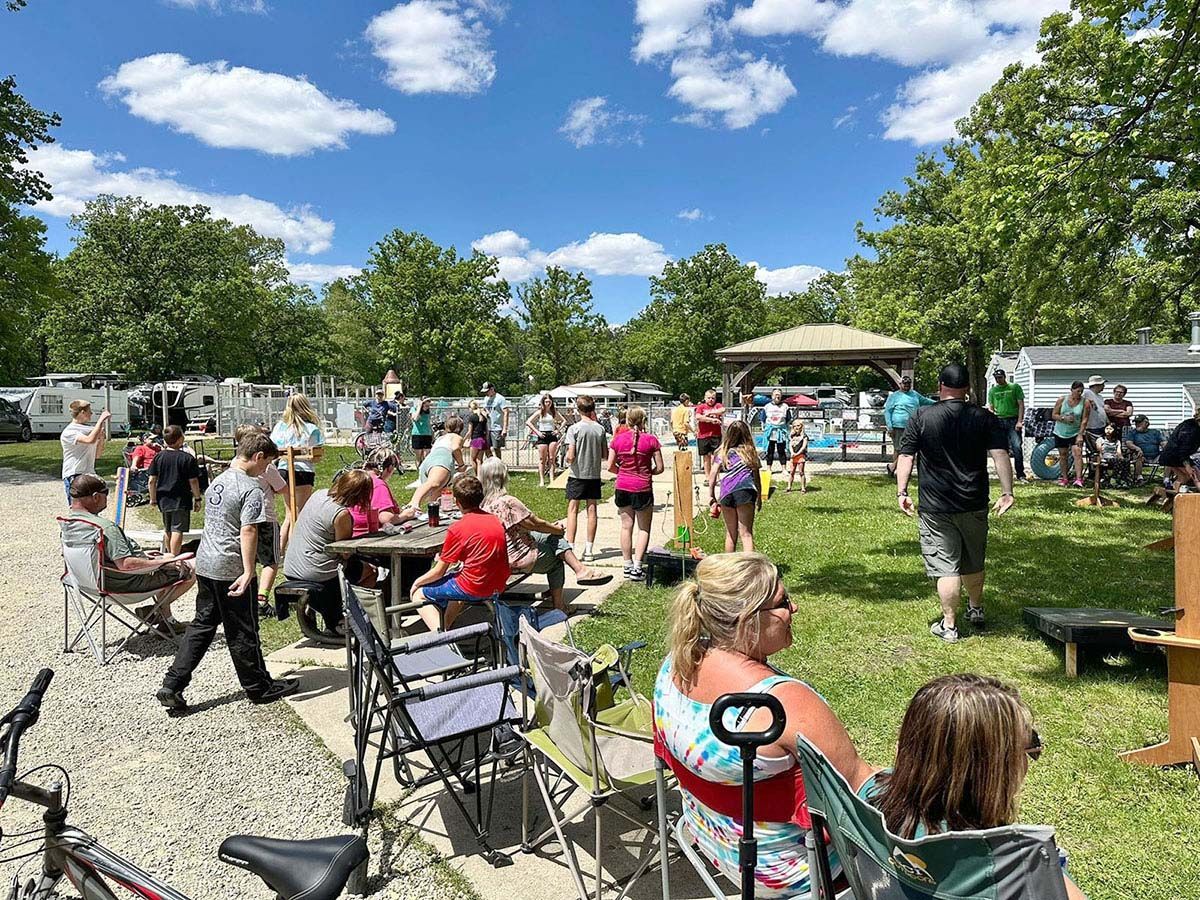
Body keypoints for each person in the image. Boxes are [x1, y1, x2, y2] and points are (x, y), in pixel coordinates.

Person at [654, 552, 875, 899]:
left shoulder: (675, 665)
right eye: (783, 602)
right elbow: (860, 797)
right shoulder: (783, 706)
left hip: (707, 837)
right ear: (748, 620)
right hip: (786, 871)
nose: (795, 608)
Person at [864, 674, 1087, 900]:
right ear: (992, 772)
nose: (1027, 762)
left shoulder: (868, 802)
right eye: (1026, 750)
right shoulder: (1015, 869)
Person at [158, 431, 297, 711]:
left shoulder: (218, 482)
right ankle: (259, 687)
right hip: (231, 567)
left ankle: (173, 683)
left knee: (202, 625)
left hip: (207, 563)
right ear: (258, 457)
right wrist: (248, 572)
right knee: (244, 630)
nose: (267, 469)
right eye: (267, 463)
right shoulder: (252, 488)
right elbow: (248, 530)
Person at [897, 363, 1014, 644]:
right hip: (974, 501)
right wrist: (1007, 491)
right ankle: (975, 609)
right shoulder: (984, 418)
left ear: (940, 387)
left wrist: (902, 491)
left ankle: (949, 625)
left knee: (946, 566)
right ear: (968, 389)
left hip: (936, 506)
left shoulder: (921, 416)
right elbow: (1000, 455)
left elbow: (906, 457)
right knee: (973, 560)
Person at [66, 474, 195, 635]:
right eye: (106, 493)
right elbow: (127, 565)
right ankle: (155, 612)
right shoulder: (105, 528)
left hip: (86, 583)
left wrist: (150, 557)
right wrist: (162, 562)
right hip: (123, 585)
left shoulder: (70, 523)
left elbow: (101, 557)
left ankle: (166, 621)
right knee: (189, 567)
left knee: (166, 559)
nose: (108, 497)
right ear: (96, 497)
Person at [480, 458, 611, 613]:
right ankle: (560, 605)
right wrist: (557, 530)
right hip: (516, 557)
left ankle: (580, 570)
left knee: (552, 538)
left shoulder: (482, 505)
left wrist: (552, 529)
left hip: (496, 557)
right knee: (556, 561)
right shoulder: (507, 502)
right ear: (503, 477)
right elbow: (536, 524)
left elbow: (530, 526)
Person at [283, 469, 378, 635]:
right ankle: (346, 616)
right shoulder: (341, 514)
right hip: (318, 574)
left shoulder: (318, 495)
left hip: (292, 568)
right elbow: (344, 552)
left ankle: (335, 614)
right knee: (370, 571)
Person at [410, 475, 510, 632]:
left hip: (474, 586)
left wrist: (417, 583)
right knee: (455, 577)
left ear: (457, 502)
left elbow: (438, 572)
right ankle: (447, 626)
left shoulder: (458, 529)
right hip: (497, 583)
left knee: (419, 594)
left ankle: (442, 637)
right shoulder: (495, 520)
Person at [233, 425, 290, 619]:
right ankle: (261, 599)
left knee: (247, 559)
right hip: (265, 516)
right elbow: (282, 487)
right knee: (271, 561)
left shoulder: (234, 464)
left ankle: (246, 598)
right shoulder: (267, 466)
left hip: (242, 517)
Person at [607, 405, 664, 581]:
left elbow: (610, 466)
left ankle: (627, 565)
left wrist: (623, 473)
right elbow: (660, 467)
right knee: (643, 528)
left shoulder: (617, 440)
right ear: (644, 421)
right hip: (643, 487)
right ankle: (638, 567)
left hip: (622, 486)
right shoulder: (651, 440)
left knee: (626, 526)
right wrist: (648, 473)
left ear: (627, 420)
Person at [270, 393, 325, 550]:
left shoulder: (280, 427)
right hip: (302, 471)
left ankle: (279, 550)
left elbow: (274, 447)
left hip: (284, 470)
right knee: (299, 513)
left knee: (289, 512)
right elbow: (315, 455)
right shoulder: (311, 429)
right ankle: (295, 549)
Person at [563, 394, 607, 561]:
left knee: (573, 510)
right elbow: (604, 454)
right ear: (592, 409)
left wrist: (567, 458)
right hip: (594, 475)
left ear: (578, 409)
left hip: (577, 474)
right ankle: (589, 549)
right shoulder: (600, 428)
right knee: (592, 510)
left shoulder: (574, 429)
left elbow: (571, 455)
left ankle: (570, 547)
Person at [147, 425, 203, 557]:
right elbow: (193, 481)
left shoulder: (158, 457)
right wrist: (197, 498)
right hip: (181, 499)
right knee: (178, 529)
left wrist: (153, 498)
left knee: (168, 529)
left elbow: (151, 480)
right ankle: (174, 557)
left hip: (163, 498)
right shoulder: (187, 458)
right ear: (179, 439)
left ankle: (168, 555)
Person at [709, 420, 762, 553]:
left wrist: (712, 495)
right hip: (745, 492)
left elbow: (713, 473)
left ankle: (729, 568)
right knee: (746, 534)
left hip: (726, 493)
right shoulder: (750, 452)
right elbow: (757, 477)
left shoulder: (722, 452)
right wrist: (759, 496)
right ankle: (748, 568)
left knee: (731, 534)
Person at [349, 446, 412, 536]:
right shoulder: (378, 484)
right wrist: (406, 515)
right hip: (368, 534)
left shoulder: (358, 478)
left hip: (352, 531)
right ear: (390, 467)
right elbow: (385, 518)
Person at [410, 414, 467, 511]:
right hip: (441, 459)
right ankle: (413, 504)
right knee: (434, 483)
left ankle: (436, 512)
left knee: (436, 493)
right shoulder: (456, 437)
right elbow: (455, 448)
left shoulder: (441, 438)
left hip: (428, 461)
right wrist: (461, 465)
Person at [61, 399, 111, 504]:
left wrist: (101, 438)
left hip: (89, 473)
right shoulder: (69, 431)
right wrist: (101, 420)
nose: (91, 413)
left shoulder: (89, 429)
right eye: (89, 411)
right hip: (74, 474)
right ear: (82, 412)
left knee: (93, 507)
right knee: (77, 508)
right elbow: (90, 440)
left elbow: (97, 455)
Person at [883, 375, 934, 476]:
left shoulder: (914, 394)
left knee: (911, 449)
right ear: (900, 384)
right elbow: (887, 411)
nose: (906, 386)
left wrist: (941, 402)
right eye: (904, 384)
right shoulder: (894, 396)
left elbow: (926, 401)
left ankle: (892, 467)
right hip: (898, 426)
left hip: (913, 426)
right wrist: (890, 426)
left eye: (908, 384)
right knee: (899, 449)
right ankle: (897, 471)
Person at [986, 369, 1027, 482]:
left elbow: (1021, 405)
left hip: (1013, 420)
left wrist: (1019, 421)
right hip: (999, 421)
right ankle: (1004, 474)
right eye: (996, 378)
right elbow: (991, 407)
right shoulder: (993, 390)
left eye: (1000, 377)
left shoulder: (1014, 387)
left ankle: (1020, 474)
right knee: (1001, 449)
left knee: (1017, 447)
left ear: (1004, 377)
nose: (998, 380)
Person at [525, 393, 566, 487]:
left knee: (552, 458)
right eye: (546, 402)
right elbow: (528, 422)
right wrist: (537, 432)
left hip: (552, 435)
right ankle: (542, 480)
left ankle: (552, 479)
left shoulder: (554, 412)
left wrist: (557, 431)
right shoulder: (540, 412)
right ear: (543, 402)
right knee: (542, 459)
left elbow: (564, 421)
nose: (548, 403)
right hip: (542, 435)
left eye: (549, 402)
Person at [1052, 381, 1087, 488]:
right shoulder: (1062, 400)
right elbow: (1054, 415)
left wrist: (1080, 434)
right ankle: (1065, 478)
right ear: (1071, 390)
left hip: (1076, 432)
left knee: (1078, 453)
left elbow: (1084, 419)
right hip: (1060, 432)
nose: (1079, 393)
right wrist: (1064, 418)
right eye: (1077, 391)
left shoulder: (1085, 402)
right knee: (1063, 455)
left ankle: (1079, 479)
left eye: (1081, 391)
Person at [1157, 408, 1200, 491]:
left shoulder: (1194, 425)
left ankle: (1171, 492)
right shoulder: (1189, 430)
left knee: (1184, 478)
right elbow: (1182, 450)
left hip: (1177, 455)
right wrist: (1187, 466)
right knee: (1196, 476)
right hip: (1173, 455)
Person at [693, 389, 725, 485]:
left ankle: (717, 477)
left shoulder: (718, 406)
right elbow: (698, 417)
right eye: (709, 398)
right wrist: (711, 420)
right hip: (703, 435)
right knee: (706, 457)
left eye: (713, 398)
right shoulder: (701, 407)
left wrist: (712, 413)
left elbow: (722, 410)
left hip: (716, 435)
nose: (711, 400)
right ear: (705, 398)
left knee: (716, 457)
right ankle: (707, 477)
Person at [1124, 414, 1166, 482]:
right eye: (1136, 422)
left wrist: (1167, 448)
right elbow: (1129, 443)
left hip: (1156, 456)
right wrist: (1137, 448)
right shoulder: (1133, 433)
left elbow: (1163, 443)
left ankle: (1166, 479)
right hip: (1142, 456)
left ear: (1146, 423)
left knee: (1169, 455)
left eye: (1139, 422)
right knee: (1138, 455)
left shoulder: (1155, 432)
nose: (1137, 424)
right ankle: (1139, 478)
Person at [762, 389, 790, 473]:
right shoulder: (767, 406)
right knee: (769, 451)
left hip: (780, 431)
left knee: (781, 451)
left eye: (779, 394)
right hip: (770, 431)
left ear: (781, 396)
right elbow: (763, 419)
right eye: (775, 394)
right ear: (772, 396)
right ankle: (768, 469)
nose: (777, 396)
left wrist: (782, 426)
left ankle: (784, 469)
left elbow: (788, 418)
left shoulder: (785, 406)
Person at [481, 381, 510, 459]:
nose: (486, 393)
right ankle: (491, 464)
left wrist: (504, 429)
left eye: (487, 391)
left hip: (497, 427)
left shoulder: (500, 398)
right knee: (486, 447)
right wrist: (485, 413)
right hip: (488, 427)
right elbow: (484, 409)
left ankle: (498, 465)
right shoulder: (486, 399)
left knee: (496, 448)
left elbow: (506, 412)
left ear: (492, 389)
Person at [466, 399, 489, 473]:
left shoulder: (472, 417)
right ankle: (481, 475)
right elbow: (487, 430)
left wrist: (463, 440)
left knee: (472, 459)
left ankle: (476, 475)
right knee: (479, 460)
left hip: (475, 439)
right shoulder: (483, 417)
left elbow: (470, 431)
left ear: (471, 407)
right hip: (483, 439)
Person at [410, 395, 433, 466]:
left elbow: (429, 423)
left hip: (427, 434)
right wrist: (419, 407)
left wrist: (432, 434)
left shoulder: (428, 412)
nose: (427, 406)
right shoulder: (414, 409)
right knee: (418, 457)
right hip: (417, 434)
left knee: (427, 456)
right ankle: (419, 471)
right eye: (425, 404)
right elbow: (415, 418)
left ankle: (425, 472)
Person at [787, 419, 808, 494]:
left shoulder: (804, 436)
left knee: (801, 472)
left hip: (801, 456)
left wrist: (797, 453)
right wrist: (792, 452)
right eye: (794, 426)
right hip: (793, 456)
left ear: (801, 426)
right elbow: (790, 444)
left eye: (798, 426)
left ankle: (803, 488)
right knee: (791, 472)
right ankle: (789, 487)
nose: (796, 427)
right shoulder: (792, 435)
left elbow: (803, 447)